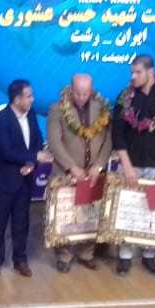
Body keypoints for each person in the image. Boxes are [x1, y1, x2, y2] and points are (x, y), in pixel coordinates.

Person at [111, 54, 155, 277]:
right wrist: (127, 166)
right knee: (127, 211)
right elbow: (117, 135)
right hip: (131, 164)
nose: (133, 76)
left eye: (138, 72)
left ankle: (149, 256)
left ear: (151, 72)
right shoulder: (125, 97)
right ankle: (124, 257)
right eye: (132, 72)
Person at [46, 73, 112, 272]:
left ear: (91, 90)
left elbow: (108, 139)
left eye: (85, 93)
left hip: (93, 172)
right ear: (71, 89)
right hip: (66, 172)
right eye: (77, 93)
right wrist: (71, 167)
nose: (81, 97)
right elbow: (54, 142)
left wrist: (98, 165)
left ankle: (86, 253)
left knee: (91, 214)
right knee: (66, 216)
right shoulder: (57, 109)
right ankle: (64, 255)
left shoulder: (102, 107)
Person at [0, 79, 48, 278]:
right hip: (4, 180)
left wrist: (31, 164)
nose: (33, 99)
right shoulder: (1, 119)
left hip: (25, 179)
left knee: (21, 222)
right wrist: (34, 157)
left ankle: (20, 260)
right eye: (29, 96)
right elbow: (6, 151)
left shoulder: (31, 114)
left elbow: (37, 141)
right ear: (16, 99)